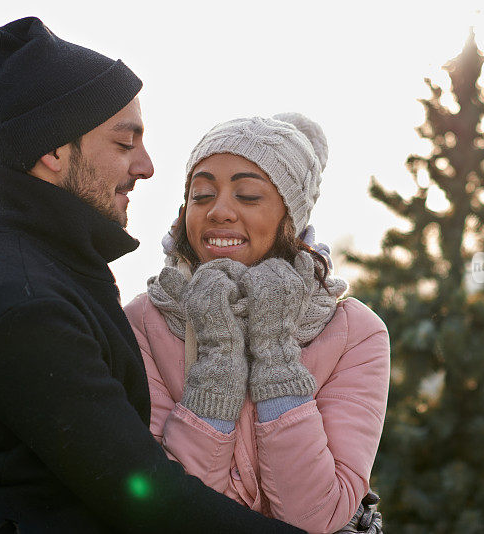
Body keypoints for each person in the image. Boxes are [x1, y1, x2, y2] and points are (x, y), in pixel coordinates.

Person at [0, 17, 305, 533]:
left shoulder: (49, 262)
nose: (147, 166)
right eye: (123, 143)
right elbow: (141, 493)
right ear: (53, 151)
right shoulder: (22, 300)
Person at [124, 113, 390, 533]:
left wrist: (275, 353)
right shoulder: (143, 321)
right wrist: (218, 364)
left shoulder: (355, 333)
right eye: (202, 194)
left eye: (248, 195)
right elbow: (165, 509)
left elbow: (318, 515)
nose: (220, 211)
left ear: (292, 215)